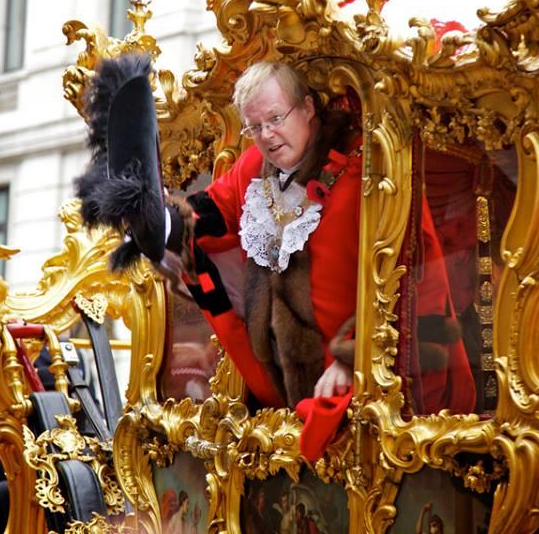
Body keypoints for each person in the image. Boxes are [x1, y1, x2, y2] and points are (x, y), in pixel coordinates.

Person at [76, 56, 475, 458]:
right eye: (255, 126)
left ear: (307, 108)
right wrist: (159, 220)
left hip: (371, 393)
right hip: (281, 404)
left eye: (276, 119)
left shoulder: (368, 169)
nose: (266, 135)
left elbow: (409, 277)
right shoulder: (255, 164)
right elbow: (211, 214)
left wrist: (352, 360)